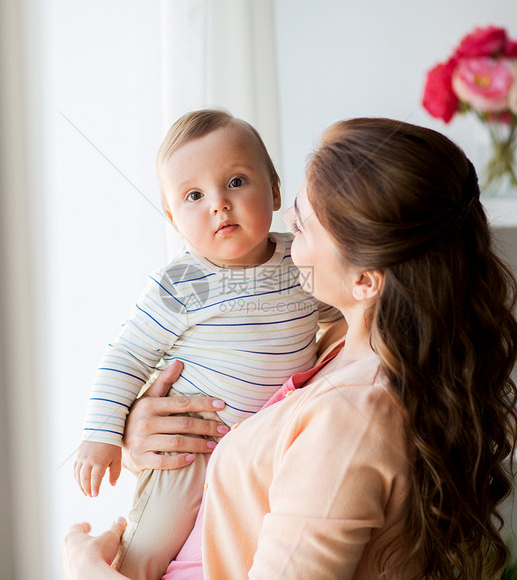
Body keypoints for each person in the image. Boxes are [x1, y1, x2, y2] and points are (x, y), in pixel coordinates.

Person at [64, 117, 517, 579]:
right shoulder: (343, 347)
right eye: (194, 196)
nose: (286, 223)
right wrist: (133, 428)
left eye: (304, 223)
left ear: (364, 280)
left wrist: (89, 573)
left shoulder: (354, 414)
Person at [74, 109, 340, 578]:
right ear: (174, 218)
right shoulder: (183, 282)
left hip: (264, 448)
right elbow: (127, 356)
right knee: (151, 546)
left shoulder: (298, 262)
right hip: (192, 442)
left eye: (236, 182)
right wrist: (102, 435)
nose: (219, 203)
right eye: (195, 195)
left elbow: (339, 312)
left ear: (275, 191)